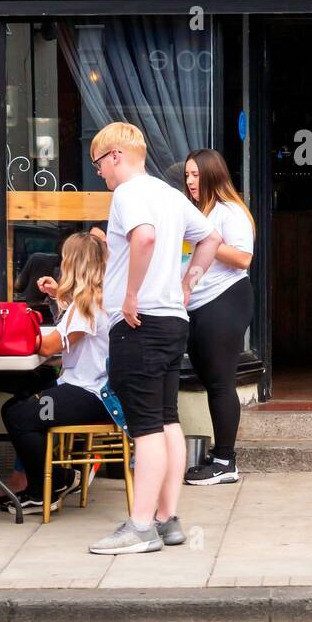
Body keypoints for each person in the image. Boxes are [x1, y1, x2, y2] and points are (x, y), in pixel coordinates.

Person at [86, 122, 222, 556]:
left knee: (145, 428)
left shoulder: (128, 194)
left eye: (98, 166)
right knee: (167, 420)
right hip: (172, 321)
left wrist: (129, 294)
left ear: (115, 156)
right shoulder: (170, 194)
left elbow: (143, 237)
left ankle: (140, 526)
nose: (100, 175)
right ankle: (168, 520)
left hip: (139, 323)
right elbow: (211, 239)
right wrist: (187, 284)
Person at [0, 232, 111, 513]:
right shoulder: (98, 297)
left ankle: (44, 490)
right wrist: (58, 295)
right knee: (19, 404)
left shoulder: (86, 305)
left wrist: (14, 331)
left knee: (17, 414)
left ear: (72, 263)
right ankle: (61, 478)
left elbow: (48, 347)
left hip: (90, 395)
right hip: (95, 391)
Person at [182, 148, 254, 485]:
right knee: (211, 382)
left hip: (225, 301)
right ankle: (220, 456)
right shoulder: (197, 213)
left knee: (221, 382)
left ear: (213, 175)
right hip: (197, 304)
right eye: (187, 176)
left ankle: (226, 461)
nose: (190, 181)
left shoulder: (229, 212)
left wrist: (206, 240)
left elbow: (242, 258)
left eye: (196, 175)